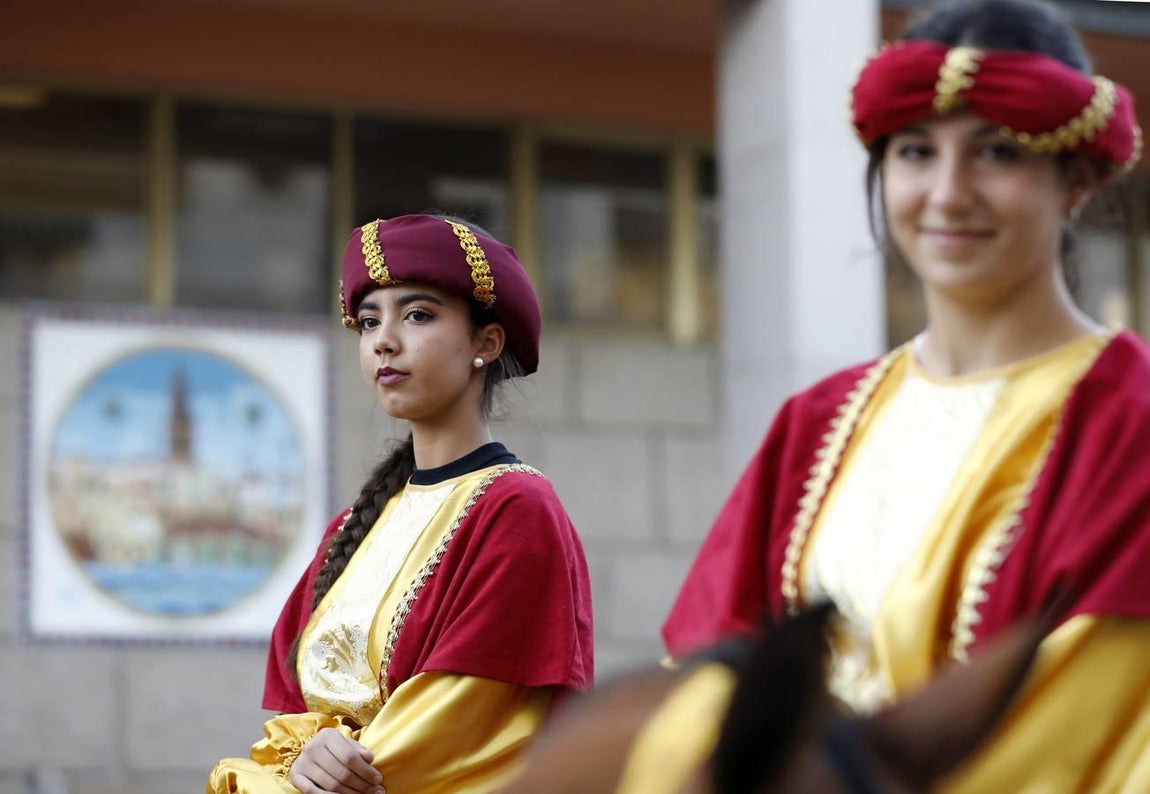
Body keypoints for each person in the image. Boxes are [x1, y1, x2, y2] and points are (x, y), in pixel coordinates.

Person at [663, 0, 1150, 790]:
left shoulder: (1133, 425)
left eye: (995, 153)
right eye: (917, 153)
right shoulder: (815, 425)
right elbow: (711, 675)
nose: (948, 194)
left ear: (1079, 181)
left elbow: (1095, 734)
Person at [207, 214, 594, 794]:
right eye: (368, 322)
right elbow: (293, 716)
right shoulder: (351, 528)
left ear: (485, 343)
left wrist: (293, 780)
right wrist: (303, 758)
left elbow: (457, 729)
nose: (384, 340)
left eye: (417, 315)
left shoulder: (515, 508)